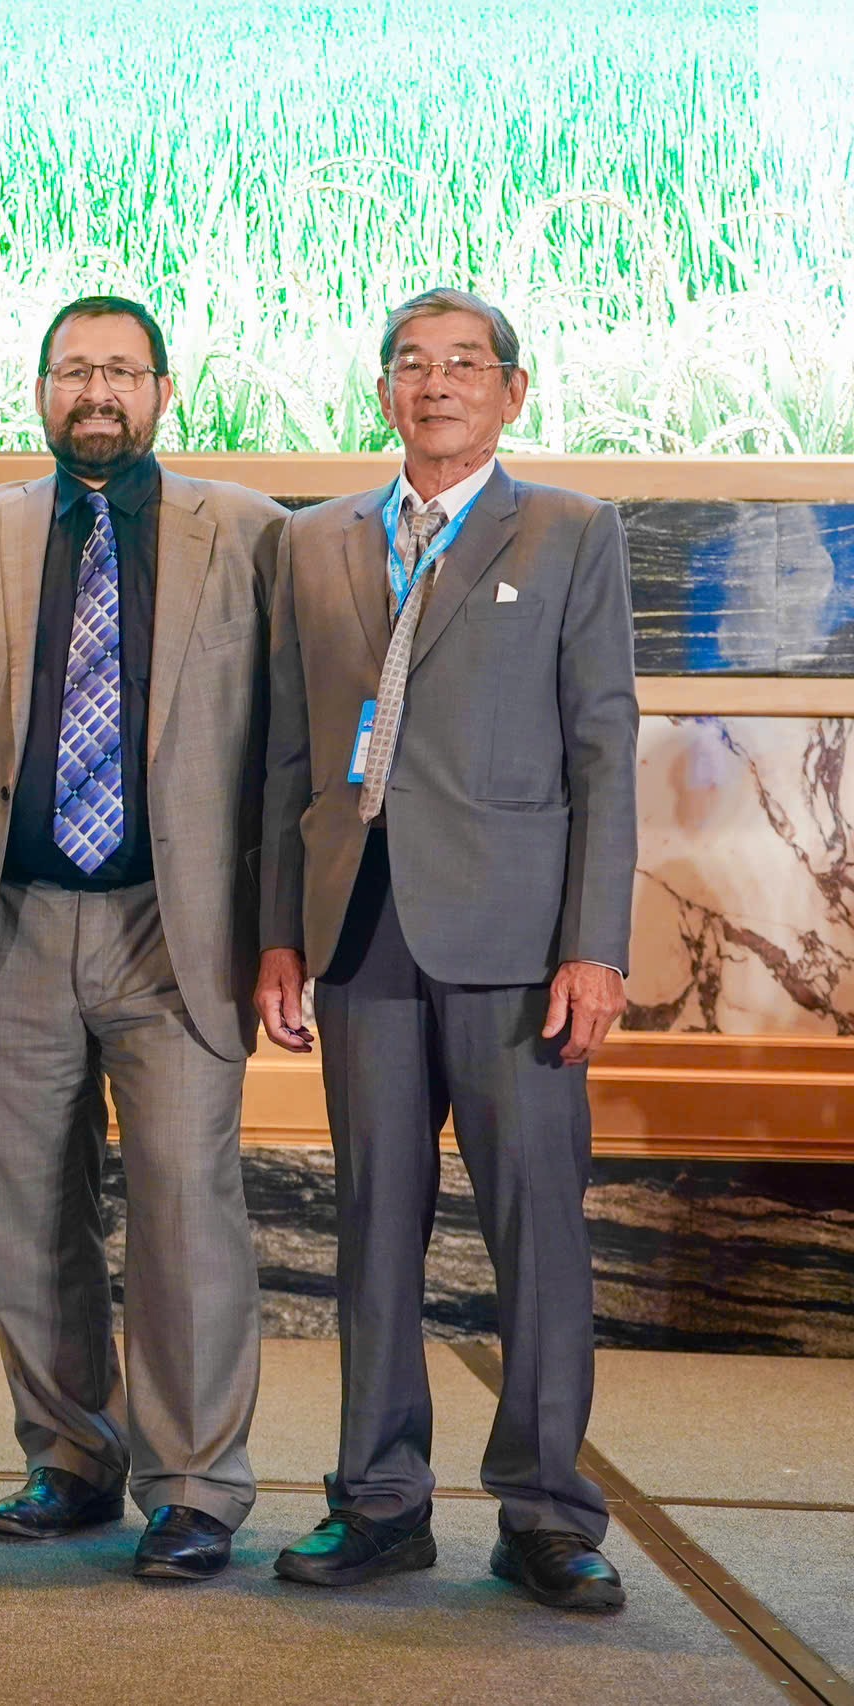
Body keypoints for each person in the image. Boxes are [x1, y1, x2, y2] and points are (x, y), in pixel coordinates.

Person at [257, 288, 638, 1611]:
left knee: (535, 1227)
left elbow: (603, 748)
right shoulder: (312, 540)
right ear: (383, 393)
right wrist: (279, 932)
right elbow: (290, 753)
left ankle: (546, 1511)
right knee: (372, 1224)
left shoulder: (572, 531)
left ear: (511, 391)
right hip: (359, 929)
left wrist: (594, 946)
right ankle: (378, 1499)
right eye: (411, 364)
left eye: (465, 364)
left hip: (518, 944)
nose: (436, 384)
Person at [0, 296, 283, 1581]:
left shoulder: (248, 530)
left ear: (163, 391)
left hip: (173, 926)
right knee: (26, 1208)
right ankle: (70, 1454)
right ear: (39, 390)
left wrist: (277, 929)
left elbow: (284, 749)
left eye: (121, 370)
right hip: (8, 918)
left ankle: (193, 1483)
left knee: (187, 1206)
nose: (97, 391)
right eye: (73, 369)